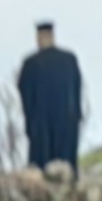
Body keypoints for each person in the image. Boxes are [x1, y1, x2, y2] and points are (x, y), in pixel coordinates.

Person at [18, 21, 85, 174]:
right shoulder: (69, 59)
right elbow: (77, 90)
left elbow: (25, 93)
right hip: (66, 120)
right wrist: (76, 115)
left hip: (41, 122)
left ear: (40, 37)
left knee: (41, 168)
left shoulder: (31, 63)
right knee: (66, 167)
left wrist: (29, 120)